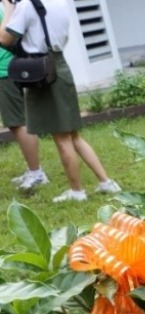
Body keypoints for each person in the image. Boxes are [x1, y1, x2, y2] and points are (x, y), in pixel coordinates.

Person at [0, 0, 121, 203]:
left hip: (41, 68)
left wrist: (9, 7)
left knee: (62, 138)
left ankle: (77, 191)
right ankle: (106, 182)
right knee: (73, 135)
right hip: (60, 64)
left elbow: (4, 38)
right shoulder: (61, 2)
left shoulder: (26, 6)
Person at [0, 2, 45, 192]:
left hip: (4, 71)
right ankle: (33, 170)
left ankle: (36, 173)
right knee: (15, 122)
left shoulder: (5, 6)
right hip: (8, 69)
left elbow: (5, 36)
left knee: (17, 123)